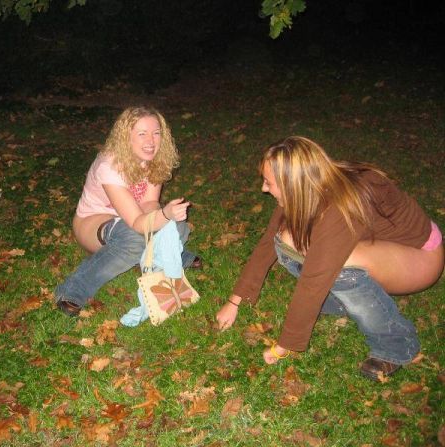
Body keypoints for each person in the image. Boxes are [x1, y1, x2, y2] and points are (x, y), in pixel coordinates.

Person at [216, 136, 443, 380]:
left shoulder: (341, 205)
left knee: (338, 266)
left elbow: (314, 278)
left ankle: (396, 345)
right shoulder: (306, 186)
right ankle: (346, 301)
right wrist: (234, 301)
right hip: (380, 249)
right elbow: (267, 244)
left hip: (421, 257)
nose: (263, 189)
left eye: (268, 182)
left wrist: (285, 344)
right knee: (285, 239)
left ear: (291, 182)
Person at [56, 106, 200, 316]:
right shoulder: (109, 165)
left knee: (178, 227)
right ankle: (73, 289)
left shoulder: (155, 159)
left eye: (156, 133)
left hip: (134, 217)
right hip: (93, 223)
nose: (151, 141)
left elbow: (150, 203)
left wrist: (165, 222)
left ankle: (157, 255)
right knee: (134, 237)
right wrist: (164, 215)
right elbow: (137, 224)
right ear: (126, 137)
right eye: (142, 134)